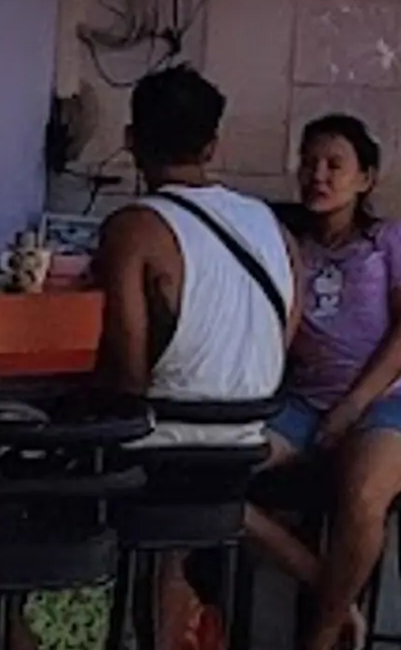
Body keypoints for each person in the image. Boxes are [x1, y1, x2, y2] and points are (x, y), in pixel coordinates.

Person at [248, 113, 401, 650]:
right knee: (212, 484)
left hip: (389, 401)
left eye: (334, 165)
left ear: (365, 179)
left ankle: (318, 648)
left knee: (361, 499)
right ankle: (338, 597)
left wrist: (354, 407)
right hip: (301, 403)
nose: (317, 175)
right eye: (309, 162)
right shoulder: (284, 240)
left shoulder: (392, 241)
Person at [91, 63, 296, 428]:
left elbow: (126, 376)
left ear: (130, 139)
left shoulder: (133, 230)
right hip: (250, 437)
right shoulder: (275, 228)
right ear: (211, 149)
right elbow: (278, 341)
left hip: (159, 443)